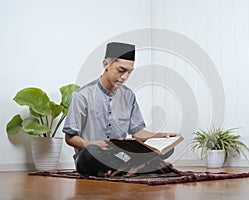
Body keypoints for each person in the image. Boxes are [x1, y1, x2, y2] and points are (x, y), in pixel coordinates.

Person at [63, 42, 180, 177]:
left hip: (123, 155)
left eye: (129, 72)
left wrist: (160, 136)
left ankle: (123, 169)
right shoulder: (82, 96)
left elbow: (137, 133)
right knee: (89, 153)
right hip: (94, 156)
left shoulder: (128, 95)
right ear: (106, 64)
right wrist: (94, 144)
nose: (124, 77)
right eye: (121, 70)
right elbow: (70, 138)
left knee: (168, 148)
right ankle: (143, 167)